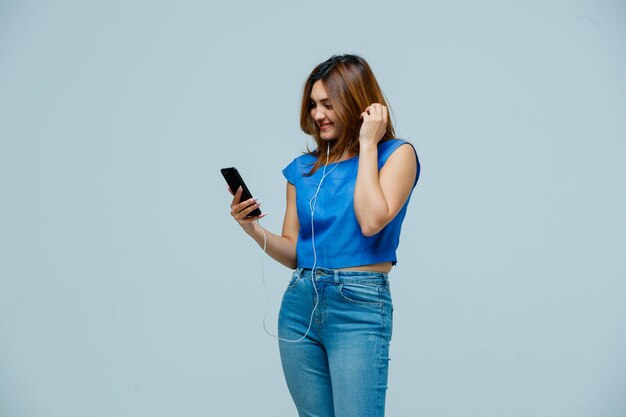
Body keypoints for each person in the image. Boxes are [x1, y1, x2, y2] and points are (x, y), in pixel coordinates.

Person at [227, 54, 420, 417]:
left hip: (358, 305)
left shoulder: (396, 155)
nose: (318, 115)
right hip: (300, 305)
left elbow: (371, 221)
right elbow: (294, 252)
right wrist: (252, 229)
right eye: (313, 105)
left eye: (328, 104)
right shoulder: (301, 170)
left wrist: (366, 145)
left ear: (358, 103)